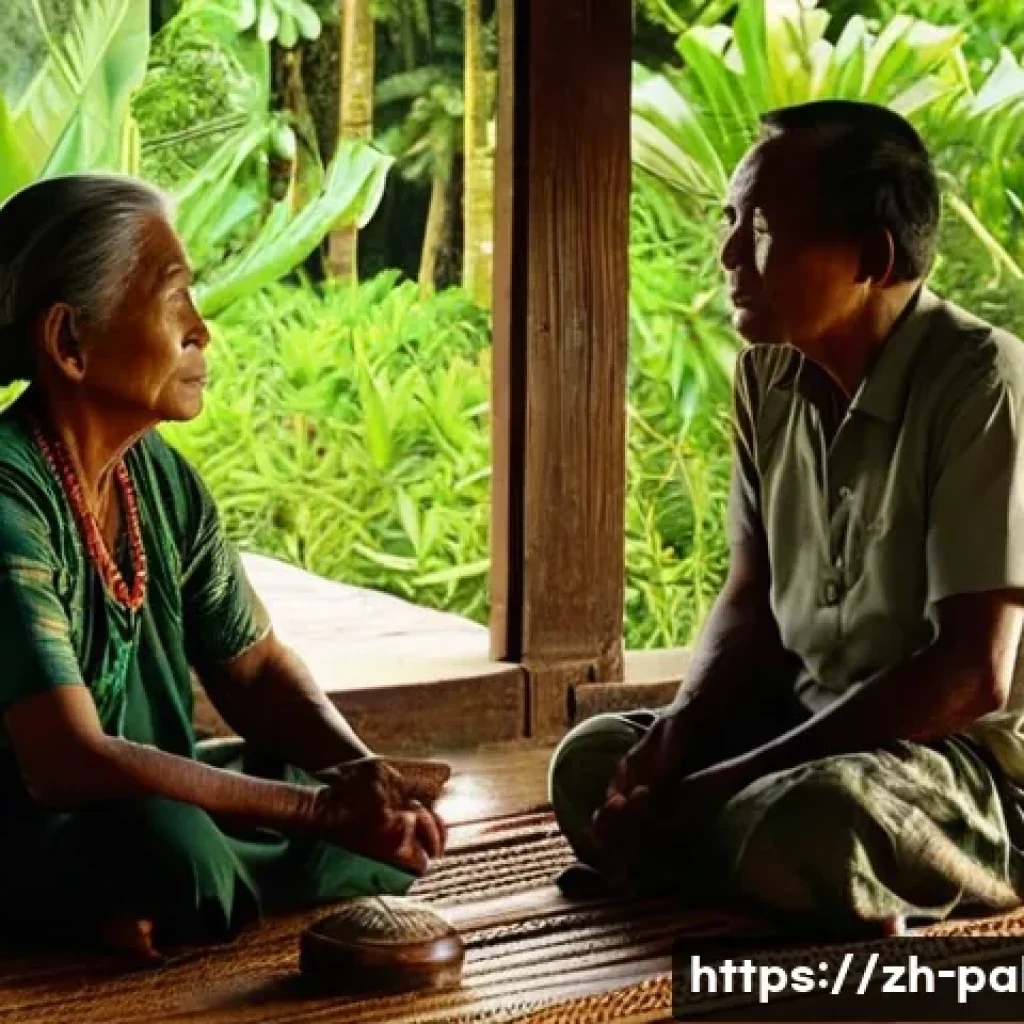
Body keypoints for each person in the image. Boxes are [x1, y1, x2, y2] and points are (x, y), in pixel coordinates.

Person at [550, 100, 1024, 933]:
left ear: (872, 259)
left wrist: (721, 785)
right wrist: (684, 734)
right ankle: (743, 856)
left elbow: (971, 675)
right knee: (592, 765)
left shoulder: (983, 382)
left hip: (960, 764)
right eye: (730, 221)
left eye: (761, 229)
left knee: (815, 821)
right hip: (806, 727)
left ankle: (723, 851)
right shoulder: (767, 378)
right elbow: (751, 591)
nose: (728, 254)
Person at [0, 174, 445, 960]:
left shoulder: (158, 479)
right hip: (33, 812)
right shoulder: (9, 496)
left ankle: (144, 906)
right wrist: (319, 816)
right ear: (69, 341)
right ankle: (103, 905)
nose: (201, 331)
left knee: (335, 815)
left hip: (140, 801)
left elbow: (254, 670)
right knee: (180, 846)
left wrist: (360, 775)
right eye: (175, 301)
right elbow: (66, 761)